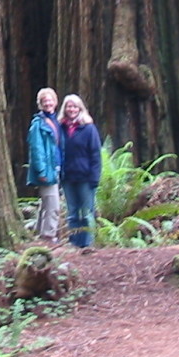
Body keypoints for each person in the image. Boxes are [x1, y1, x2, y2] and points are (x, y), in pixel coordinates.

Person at [60, 93, 102, 249]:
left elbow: (96, 154)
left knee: (86, 213)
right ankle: (74, 244)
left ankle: (88, 244)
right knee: (72, 213)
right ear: (65, 109)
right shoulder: (61, 128)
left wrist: (95, 177)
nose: (71, 109)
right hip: (68, 177)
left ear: (80, 108)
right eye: (69, 106)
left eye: (74, 106)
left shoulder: (89, 128)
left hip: (85, 177)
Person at [26, 87, 63, 244]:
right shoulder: (37, 124)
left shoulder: (57, 121)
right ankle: (48, 235)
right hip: (46, 169)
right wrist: (41, 170)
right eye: (44, 101)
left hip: (57, 167)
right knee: (53, 203)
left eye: (50, 100)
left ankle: (41, 234)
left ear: (55, 102)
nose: (48, 103)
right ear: (40, 104)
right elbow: (36, 149)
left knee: (47, 202)